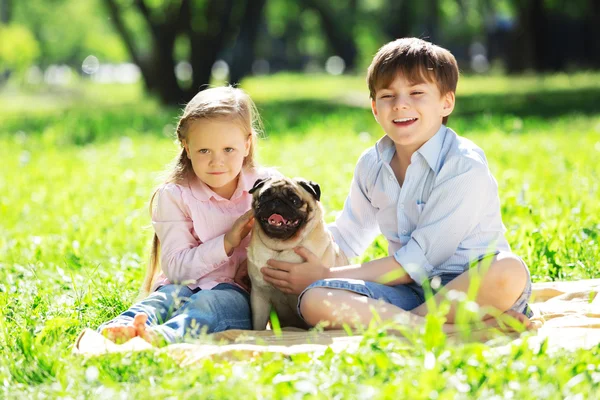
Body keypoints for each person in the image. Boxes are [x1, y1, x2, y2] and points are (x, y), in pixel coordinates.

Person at [261, 38, 534, 333]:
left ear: (446, 102)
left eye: (417, 92)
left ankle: (414, 323)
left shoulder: (463, 165)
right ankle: (437, 328)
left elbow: (417, 260)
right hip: (408, 293)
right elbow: (347, 237)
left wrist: (325, 273)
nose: (401, 104)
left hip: (474, 287)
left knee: (509, 270)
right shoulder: (372, 164)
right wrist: (301, 258)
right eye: (388, 95)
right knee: (314, 299)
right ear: (375, 109)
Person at [99, 86, 279, 345]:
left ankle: (162, 336)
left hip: (237, 293)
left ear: (247, 143)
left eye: (229, 149)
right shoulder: (175, 195)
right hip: (182, 283)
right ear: (186, 146)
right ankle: (123, 328)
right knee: (163, 299)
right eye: (204, 151)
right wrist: (227, 242)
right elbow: (176, 268)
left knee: (207, 304)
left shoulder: (269, 186)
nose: (217, 161)